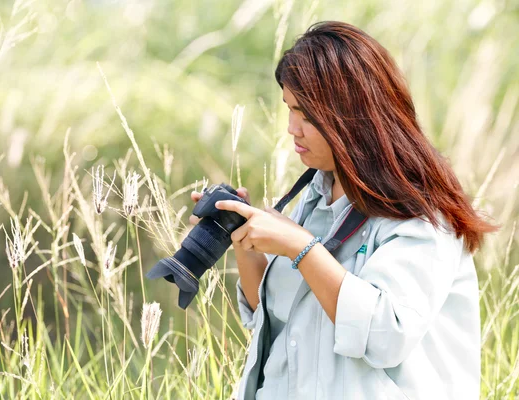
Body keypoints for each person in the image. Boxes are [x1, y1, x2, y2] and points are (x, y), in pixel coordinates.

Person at [192, 21, 497, 400]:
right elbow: (270, 315)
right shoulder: (317, 195)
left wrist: (301, 247)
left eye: (304, 113)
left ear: (351, 115)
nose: (292, 129)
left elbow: (387, 334)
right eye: (288, 109)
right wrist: (241, 233)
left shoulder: (423, 214)